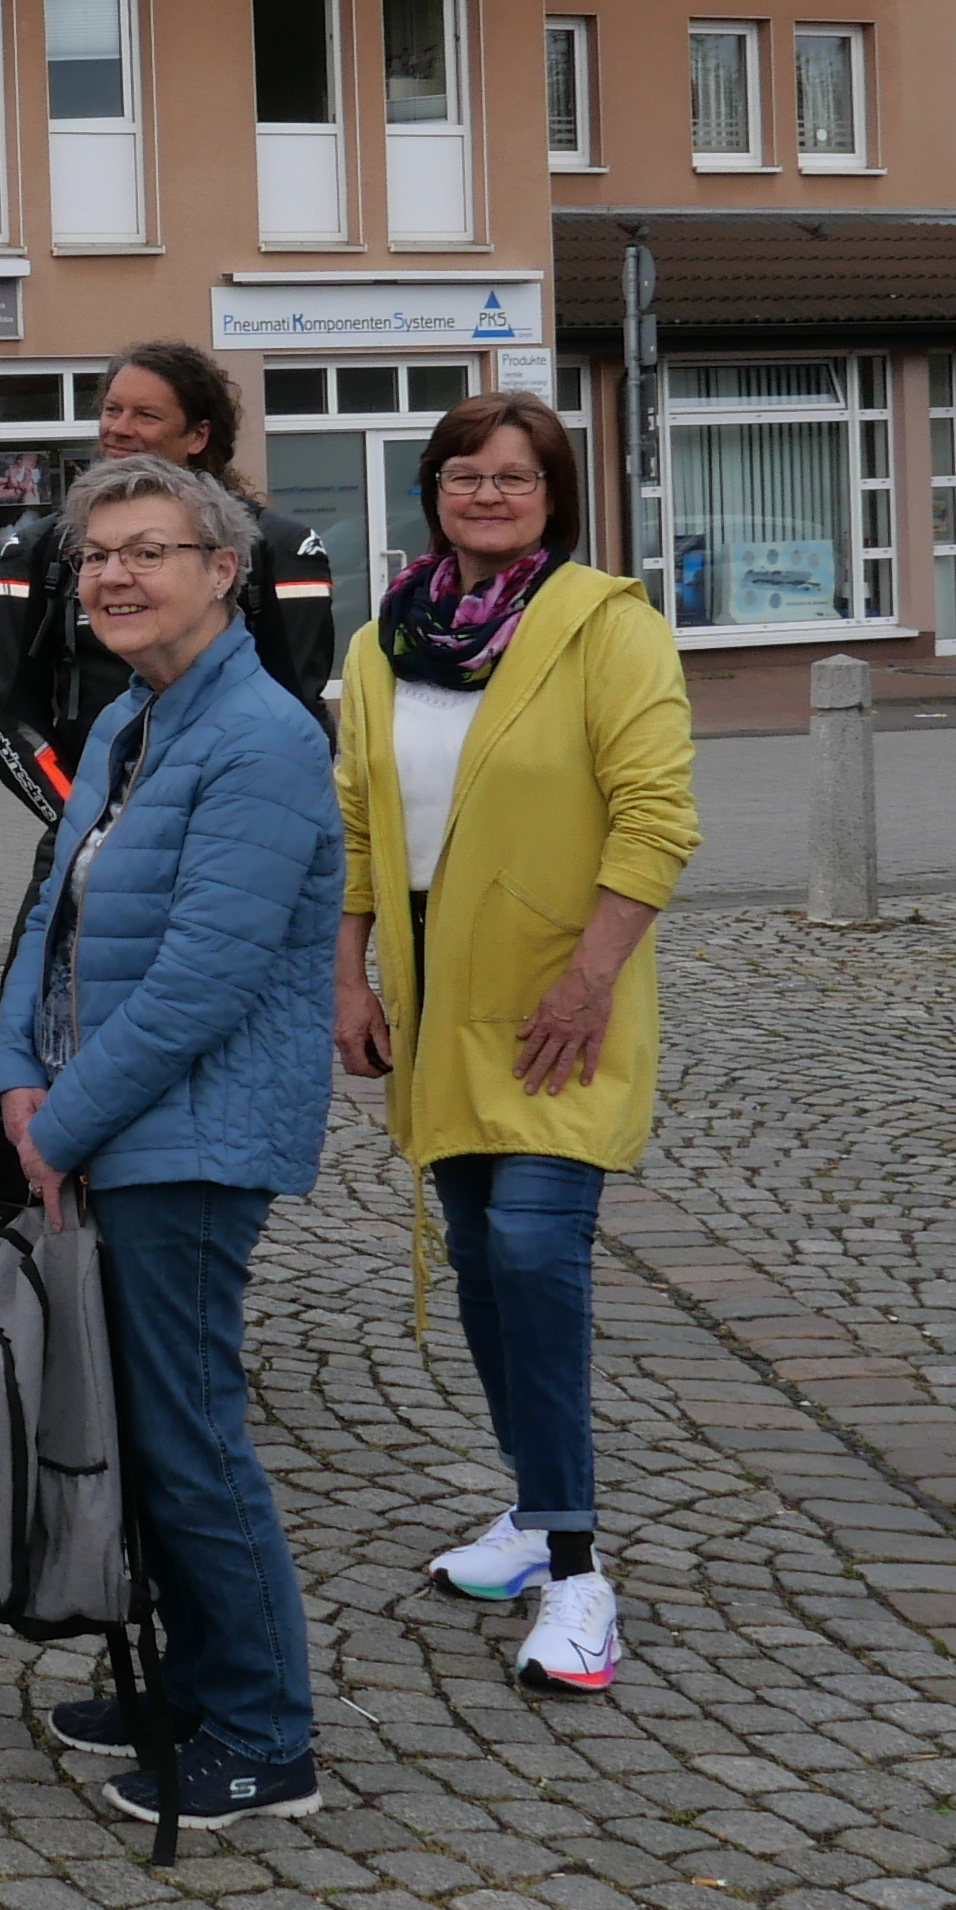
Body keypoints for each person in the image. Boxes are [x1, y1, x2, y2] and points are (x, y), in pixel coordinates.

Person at [0, 457, 341, 1831]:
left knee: (189, 1438)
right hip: (101, 1118)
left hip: (189, 1140)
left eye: (149, 550)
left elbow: (206, 975)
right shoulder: (134, 719)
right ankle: (192, 1684)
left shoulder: (262, 737)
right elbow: (52, 920)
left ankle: (262, 1733)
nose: (115, 576)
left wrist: (63, 1120)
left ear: (224, 572)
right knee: (143, 1430)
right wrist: (17, 1075)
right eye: (96, 557)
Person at [331, 392, 696, 1702]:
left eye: (514, 477)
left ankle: (580, 1577)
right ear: (432, 492)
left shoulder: (606, 625)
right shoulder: (387, 639)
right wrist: (345, 977)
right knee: (484, 1261)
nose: (486, 496)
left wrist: (592, 980)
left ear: (555, 497)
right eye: (463, 475)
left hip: (558, 1001)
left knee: (537, 1248)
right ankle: (538, 1509)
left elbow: (656, 817)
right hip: (438, 1000)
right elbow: (358, 823)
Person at [0, 343, 337, 1240]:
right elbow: (10, 714)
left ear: (199, 435)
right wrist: (96, 818)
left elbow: (296, 711)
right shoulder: (46, 546)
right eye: (111, 410)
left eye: (145, 414)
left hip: (220, 830)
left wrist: (165, 822)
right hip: (88, 827)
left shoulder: (279, 546)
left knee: (164, 1064)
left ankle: (142, 1255)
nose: (118, 428)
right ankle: (24, 1271)